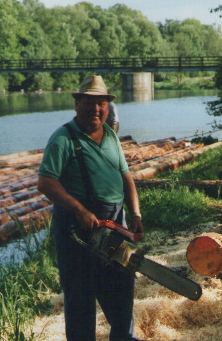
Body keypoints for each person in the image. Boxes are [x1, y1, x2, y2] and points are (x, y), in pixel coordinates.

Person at [37, 75, 144, 341]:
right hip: (77, 231)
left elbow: (126, 176)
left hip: (115, 225)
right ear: (77, 104)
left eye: (101, 103)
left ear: (108, 105)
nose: (96, 109)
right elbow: (46, 182)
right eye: (89, 102)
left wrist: (136, 213)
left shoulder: (110, 134)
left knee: (121, 294)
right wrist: (78, 209)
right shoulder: (63, 138)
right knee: (80, 302)